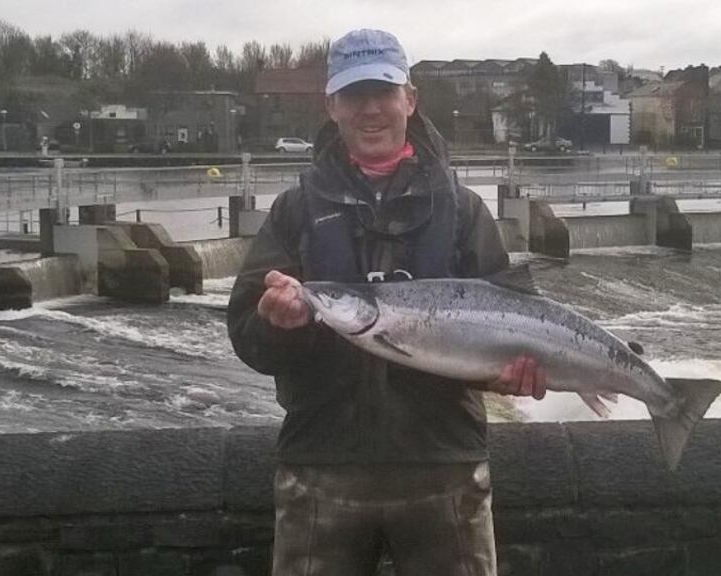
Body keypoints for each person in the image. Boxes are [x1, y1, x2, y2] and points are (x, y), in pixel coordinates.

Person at [227, 28, 547, 576]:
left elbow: (514, 315)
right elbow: (248, 340)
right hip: (320, 468)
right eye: (354, 96)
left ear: (410, 100)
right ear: (332, 106)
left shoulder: (465, 210)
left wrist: (507, 374)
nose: (370, 110)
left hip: (444, 466)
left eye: (384, 93)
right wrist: (277, 323)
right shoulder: (293, 211)